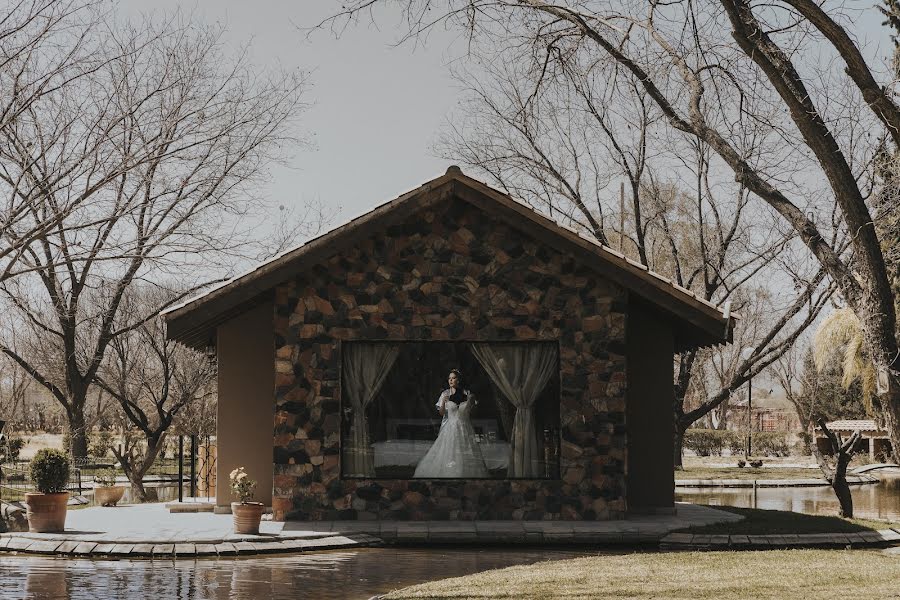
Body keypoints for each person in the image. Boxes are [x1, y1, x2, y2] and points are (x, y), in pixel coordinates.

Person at [413, 369, 489, 478]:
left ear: (458, 380)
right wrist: (444, 402)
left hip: (465, 427)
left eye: (453, 378)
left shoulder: (467, 393)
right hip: (450, 427)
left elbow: (472, 412)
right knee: (448, 451)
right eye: (449, 378)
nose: (451, 380)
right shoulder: (445, 393)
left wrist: (472, 403)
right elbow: (442, 413)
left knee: (466, 451)